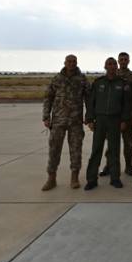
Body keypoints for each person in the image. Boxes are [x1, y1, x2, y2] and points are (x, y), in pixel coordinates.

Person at [84, 57, 132, 190]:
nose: (112, 66)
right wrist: (89, 119)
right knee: (96, 150)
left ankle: (115, 178)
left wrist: (124, 120)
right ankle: (91, 179)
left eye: (114, 64)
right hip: (99, 120)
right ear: (105, 66)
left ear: (117, 67)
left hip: (115, 120)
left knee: (114, 150)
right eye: (109, 64)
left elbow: (126, 104)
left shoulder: (122, 83)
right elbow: (91, 102)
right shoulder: (98, 82)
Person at [41, 54, 89, 191]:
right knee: (54, 149)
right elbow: (48, 98)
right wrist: (46, 116)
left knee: (76, 150)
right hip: (58, 121)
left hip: (75, 121)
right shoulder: (57, 79)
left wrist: (89, 116)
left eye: (74, 61)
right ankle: (51, 178)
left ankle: (74, 177)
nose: (71, 63)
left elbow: (89, 98)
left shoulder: (82, 79)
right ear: (65, 62)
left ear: (77, 63)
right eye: (69, 61)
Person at [102, 52, 132, 177]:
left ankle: (129, 166)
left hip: (127, 116)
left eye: (125, 59)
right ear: (118, 61)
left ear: (128, 61)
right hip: (113, 116)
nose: (123, 61)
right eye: (121, 59)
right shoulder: (111, 76)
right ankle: (108, 166)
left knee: (128, 144)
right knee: (111, 144)